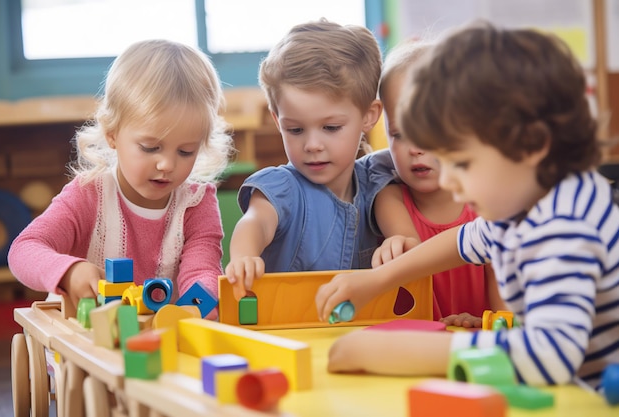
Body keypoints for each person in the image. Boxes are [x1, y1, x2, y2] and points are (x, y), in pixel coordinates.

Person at [315, 21, 619, 392]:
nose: (449, 181)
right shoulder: (522, 207)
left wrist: (411, 350)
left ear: (531, 144)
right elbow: (464, 241)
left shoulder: (565, 222)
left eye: (462, 162)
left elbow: (550, 355)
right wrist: (375, 281)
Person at [8, 40, 233, 317]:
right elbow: (23, 250)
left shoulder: (197, 203)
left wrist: (202, 305)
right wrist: (68, 272)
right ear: (112, 134)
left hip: (157, 341)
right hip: (84, 341)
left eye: (186, 151)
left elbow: (202, 271)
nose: (167, 164)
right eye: (150, 148)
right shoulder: (88, 194)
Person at [225, 19, 394, 300]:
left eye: (330, 128)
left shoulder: (377, 181)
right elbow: (256, 222)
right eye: (295, 130)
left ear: (369, 115)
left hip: (358, 332)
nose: (312, 145)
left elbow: (405, 236)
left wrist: (399, 242)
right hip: (286, 331)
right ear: (277, 120)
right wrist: (244, 255)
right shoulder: (281, 187)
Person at [373, 39, 504, 327]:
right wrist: (394, 246)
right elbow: (411, 250)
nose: (415, 149)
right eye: (398, 134)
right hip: (416, 345)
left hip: (480, 347)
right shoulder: (389, 198)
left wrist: (485, 322)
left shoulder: (486, 204)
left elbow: (506, 317)